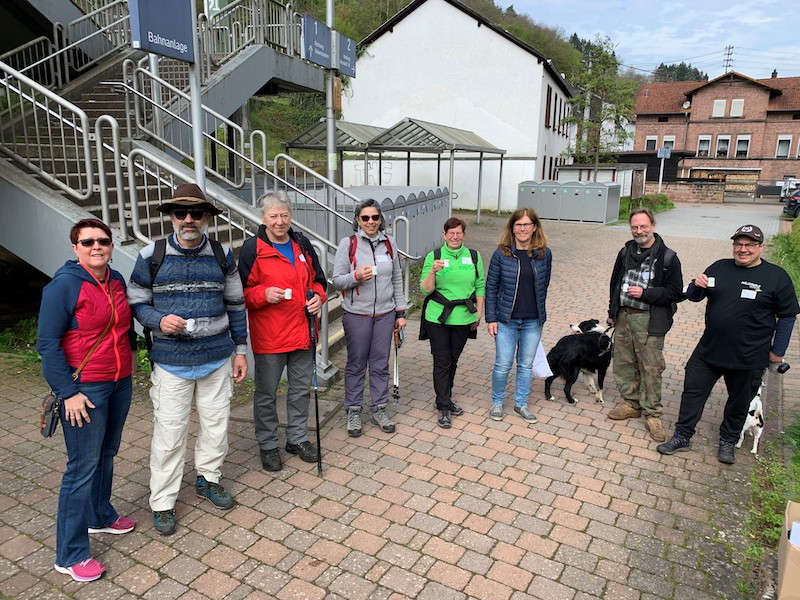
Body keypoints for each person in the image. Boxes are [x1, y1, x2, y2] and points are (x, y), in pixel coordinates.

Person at [128, 184, 248, 536]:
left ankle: (208, 478)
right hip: (171, 360)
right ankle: (162, 501)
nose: (188, 219)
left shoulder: (224, 255)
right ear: (171, 216)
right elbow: (136, 301)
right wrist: (157, 320)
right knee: (169, 435)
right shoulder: (152, 254)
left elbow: (236, 305)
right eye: (181, 213)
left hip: (216, 357)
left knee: (216, 426)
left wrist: (240, 351)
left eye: (196, 213)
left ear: (207, 217)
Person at [37, 218, 136, 582]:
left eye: (103, 241)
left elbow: (123, 329)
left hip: (119, 382)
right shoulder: (62, 287)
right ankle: (70, 553)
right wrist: (68, 393)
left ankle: (100, 515)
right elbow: (47, 345)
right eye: (88, 241)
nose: (97, 247)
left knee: (107, 452)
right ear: (75, 247)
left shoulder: (116, 280)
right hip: (85, 390)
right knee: (81, 468)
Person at [658, 224, 799, 464]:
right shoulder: (719, 267)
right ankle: (682, 436)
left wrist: (778, 351)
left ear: (760, 247)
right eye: (738, 244)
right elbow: (693, 296)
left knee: (739, 401)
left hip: (749, 356)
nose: (743, 249)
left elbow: (788, 315)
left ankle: (728, 440)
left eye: (749, 245)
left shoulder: (776, 277)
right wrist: (696, 285)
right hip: (709, 349)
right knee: (692, 393)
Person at [238, 191, 327, 471]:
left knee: (300, 389)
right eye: (274, 216)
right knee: (266, 393)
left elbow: (319, 281)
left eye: (284, 215)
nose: (280, 221)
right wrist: (263, 294)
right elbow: (240, 293)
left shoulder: (302, 244)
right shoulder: (252, 249)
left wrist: (318, 298)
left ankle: (297, 438)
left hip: (303, 332)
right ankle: (267, 444)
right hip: (270, 336)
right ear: (263, 218)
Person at [606, 208, 683, 442]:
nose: (639, 231)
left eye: (643, 226)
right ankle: (632, 403)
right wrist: (612, 312)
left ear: (653, 226)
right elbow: (615, 284)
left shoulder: (668, 257)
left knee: (650, 366)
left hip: (649, 318)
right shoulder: (624, 253)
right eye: (635, 227)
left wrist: (646, 293)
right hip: (624, 317)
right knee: (624, 362)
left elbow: (675, 293)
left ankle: (652, 413)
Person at [333, 199, 407, 437]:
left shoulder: (390, 243)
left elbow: (396, 278)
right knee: (356, 363)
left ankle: (379, 407)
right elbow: (337, 280)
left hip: (385, 314)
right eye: (365, 218)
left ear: (380, 219)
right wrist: (356, 275)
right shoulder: (349, 244)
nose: (371, 222)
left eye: (375, 217)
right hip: (357, 314)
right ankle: (354, 409)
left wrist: (400, 311)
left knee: (379, 363)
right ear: (358, 220)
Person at [485, 208, 551, 424]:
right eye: (518, 225)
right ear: (512, 228)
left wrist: (541, 315)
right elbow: (491, 287)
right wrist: (491, 318)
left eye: (527, 224)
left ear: (534, 227)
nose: (523, 229)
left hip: (533, 320)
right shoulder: (501, 254)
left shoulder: (544, 254)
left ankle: (521, 404)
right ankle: (497, 402)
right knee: (503, 364)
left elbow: (544, 285)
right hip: (506, 320)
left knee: (525, 365)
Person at [419, 217, 485, 429]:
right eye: (451, 233)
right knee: (442, 361)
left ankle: (445, 397)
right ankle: (444, 406)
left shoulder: (473, 256)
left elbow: (480, 286)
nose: (455, 237)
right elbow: (425, 289)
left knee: (453, 360)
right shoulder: (435, 256)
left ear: (463, 234)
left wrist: (479, 314)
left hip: (464, 317)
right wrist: (432, 271)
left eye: (459, 233)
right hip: (438, 317)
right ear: (444, 235)